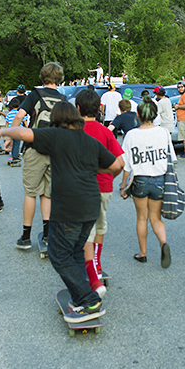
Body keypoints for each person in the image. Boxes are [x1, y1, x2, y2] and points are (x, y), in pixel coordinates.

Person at [0, 101, 120, 323]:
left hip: (69, 207)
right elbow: (116, 166)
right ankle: (83, 293)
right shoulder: (90, 141)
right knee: (76, 252)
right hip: (91, 205)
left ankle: (89, 301)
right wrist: (89, 168)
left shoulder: (56, 135)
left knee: (58, 254)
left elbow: (23, 132)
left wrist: (2, 131)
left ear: (57, 120)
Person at [5, 62, 66, 249]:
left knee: (31, 193)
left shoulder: (35, 95)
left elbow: (19, 116)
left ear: (43, 77)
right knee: (47, 194)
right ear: (60, 79)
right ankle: (47, 235)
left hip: (35, 147)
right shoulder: (63, 99)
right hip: (55, 151)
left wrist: (10, 136)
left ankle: (25, 236)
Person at [75, 89, 125, 296]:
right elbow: (120, 162)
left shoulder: (73, 131)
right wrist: (109, 177)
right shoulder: (106, 132)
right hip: (103, 187)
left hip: (79, 188)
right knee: (99, 226)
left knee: (83, 229)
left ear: (77, 108)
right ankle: (96, 263)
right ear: (99, 109)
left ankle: (85, 267)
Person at [120, 94, 174, 268]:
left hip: (139, 181)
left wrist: (123, 187)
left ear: (138, 115)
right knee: (155, 218)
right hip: (159, 180)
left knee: (141, 218)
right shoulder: (163, 132)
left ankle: (142, 254)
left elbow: (126, 165)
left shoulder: (131, 135)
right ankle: (163, 242)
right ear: (155, 115)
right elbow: (170, 158)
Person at [5, 98, 25, 165]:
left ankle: (13, 155)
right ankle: (15, 157)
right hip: (18, 130)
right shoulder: (20, 113)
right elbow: (25, 121)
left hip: (11, 130)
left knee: (13, 143)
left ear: (12, 106)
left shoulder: (9, 114)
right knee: (17, 143)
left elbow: (7, 123)